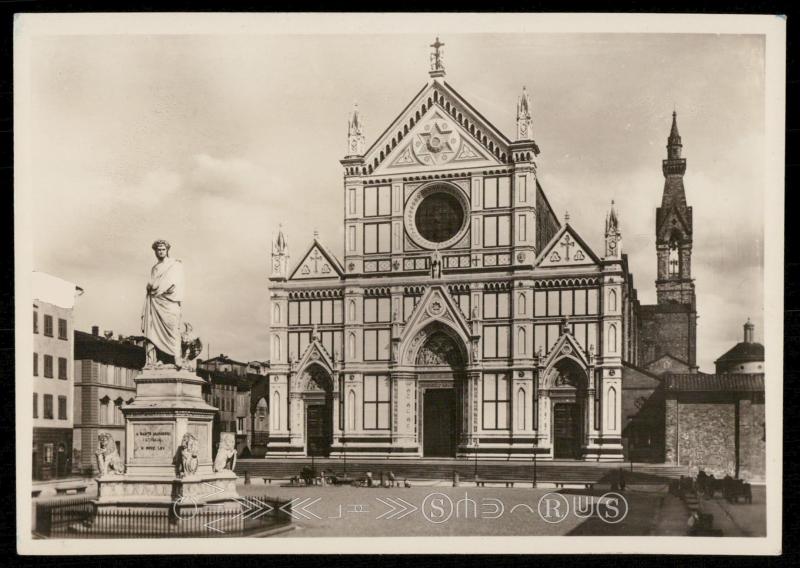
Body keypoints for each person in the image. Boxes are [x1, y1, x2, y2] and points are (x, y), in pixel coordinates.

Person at [141, 239, 185, 367]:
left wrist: (158, 287)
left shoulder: (175, 265)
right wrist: (150, 286)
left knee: (172, 329)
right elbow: (153, 282)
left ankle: (176, 358)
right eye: (158, 250)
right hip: (155, 302)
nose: (160, 252)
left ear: (167, 251)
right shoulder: (155, 268)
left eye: (163, 249)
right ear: (155, 252)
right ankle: (162, 359)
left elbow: (178, 283)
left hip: (169, 301)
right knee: (156, 331)